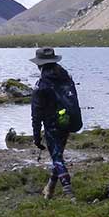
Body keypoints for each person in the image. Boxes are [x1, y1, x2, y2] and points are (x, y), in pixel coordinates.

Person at [29, 46, 77, 200]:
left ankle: (69, 194)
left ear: (40, 64)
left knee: (57, 159)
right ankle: (49, 190)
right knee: (58, 156)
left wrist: (36, 137)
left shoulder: (41, 85)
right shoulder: (66, 77)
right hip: (68, 121)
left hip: (52, 126)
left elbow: (36, 115)